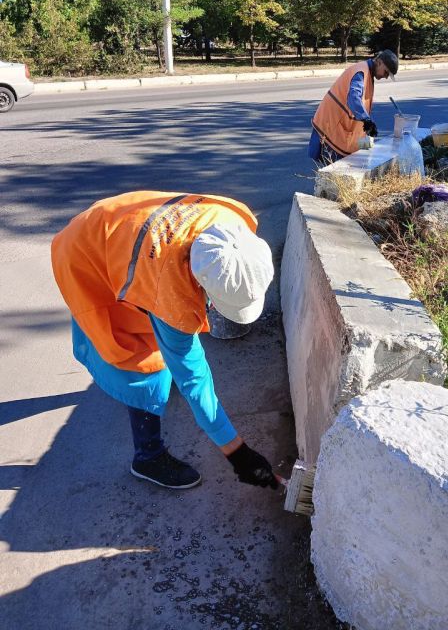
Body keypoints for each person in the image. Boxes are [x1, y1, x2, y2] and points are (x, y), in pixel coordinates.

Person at [51, 190, 278, 491]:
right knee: (140, 358)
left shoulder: (231, 224)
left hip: (115, 223)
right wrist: (239, 454)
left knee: (156, 334)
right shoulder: (169, 289)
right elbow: (195, 382)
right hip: (86, 254)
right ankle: (148, 457)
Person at [308, 49, 399, 165]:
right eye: (386, 72)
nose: (386, 77)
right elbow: (354, 98)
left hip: (340, 130)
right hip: (331, 127)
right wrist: (366, 119)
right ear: (379, 62)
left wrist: (369, 129)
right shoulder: (361, 72)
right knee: (333, 174)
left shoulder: (367, 73)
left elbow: (363, 105)